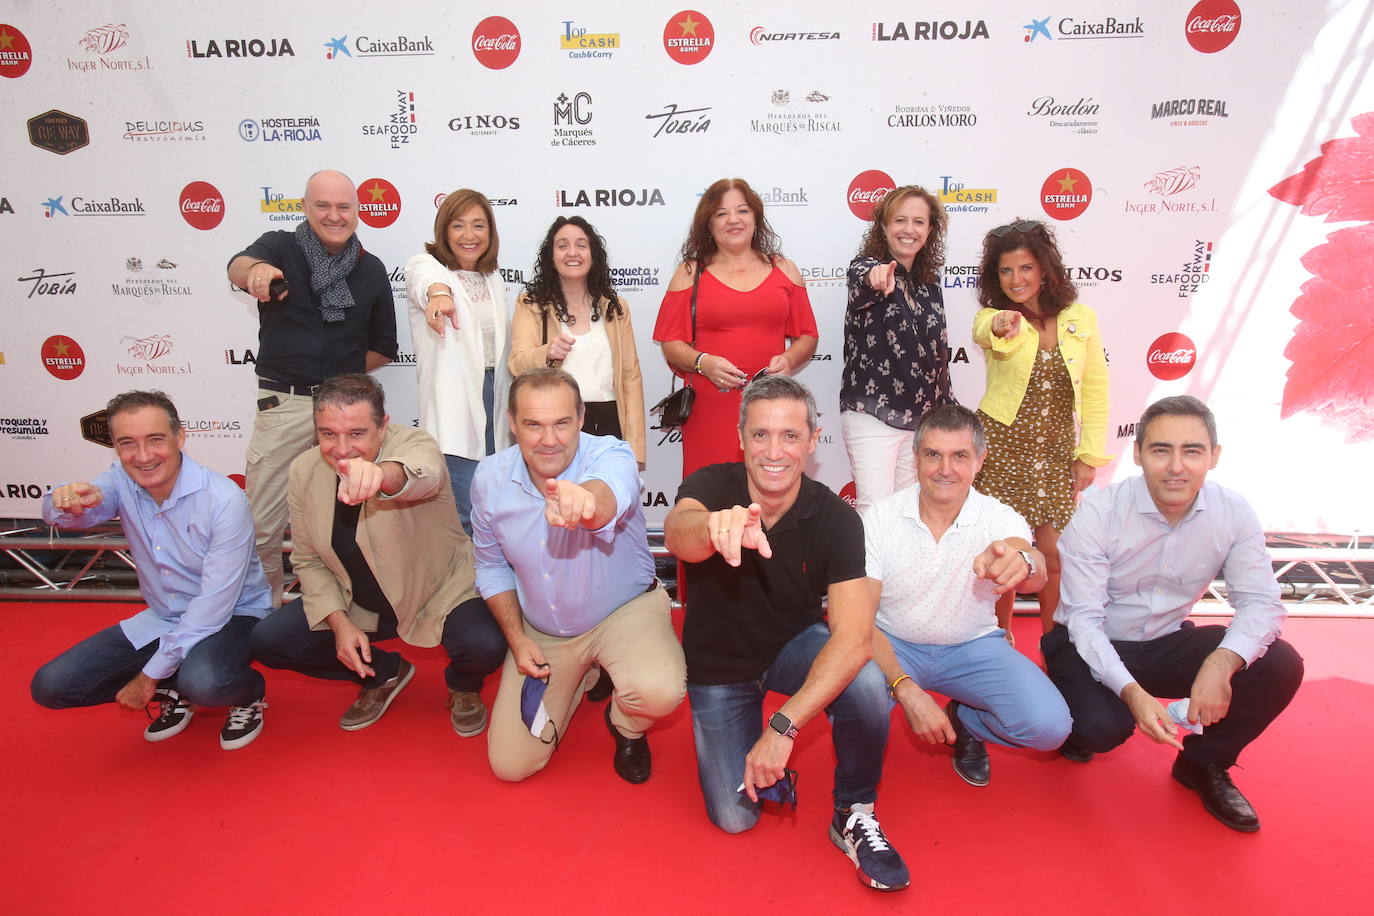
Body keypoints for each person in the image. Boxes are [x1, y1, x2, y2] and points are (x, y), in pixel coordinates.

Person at [664, 375, 908, 893]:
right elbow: (678, 533)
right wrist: (712, 529)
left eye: (790, 436)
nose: (774, 451)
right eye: (760, 435)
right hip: (718, 667)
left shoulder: (838, 519)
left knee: (864, 680)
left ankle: (854, 811)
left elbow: (854, 635)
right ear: (740, 437)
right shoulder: (713, 486)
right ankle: (736, 729)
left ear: (813, 440)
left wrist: (783, 726)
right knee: (735, 818)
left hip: (791, 649)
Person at [1045, 396, 1304, 832]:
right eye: (1161, 450)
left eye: (1192, 451)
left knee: (1279, 664)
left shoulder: (1233, 512)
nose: (1175, 466)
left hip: (1167, 642)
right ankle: (1075, 712)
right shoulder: (1098, 511)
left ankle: (1203, 764)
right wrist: (1132, 693)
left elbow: (1262, 603)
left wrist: (1222, 663)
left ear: (1214, 457)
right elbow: (1085, 622)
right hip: (1086, 643)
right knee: (1101, 729)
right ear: (1138, 453)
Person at [249, 374, 506, 736]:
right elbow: (307, 560)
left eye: (356, 434)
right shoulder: (303, 470)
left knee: (484, 644)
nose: (341, 449)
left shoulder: (416, 442)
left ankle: (464, 685)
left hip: (438, 593)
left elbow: (423, 474)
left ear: (383, 427)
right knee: (269, 641)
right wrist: (339, 623)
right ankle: (385, 671)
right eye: (327, 434)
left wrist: (381, 476)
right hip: (361, 602)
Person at [473, 368, 684, 784]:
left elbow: (607, 496)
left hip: (623, 612)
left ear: (581, 418)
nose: (548, 440)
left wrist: (584, 504)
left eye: (561, 423)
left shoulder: (611, 454)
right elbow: (491, 565)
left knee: (659, 690)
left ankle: (626, 724)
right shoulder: (489, 478)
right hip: (544, 629)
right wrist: (517, 638)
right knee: (511, 766)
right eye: (533, 424)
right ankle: (585, 673)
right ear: (512, 423)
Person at [31, 390, 271, 750]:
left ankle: (247, 694)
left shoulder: (223, 500)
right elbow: (81, 508)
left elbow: (212, 607)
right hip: (164, 617)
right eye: (128, 443)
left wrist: (148, 675)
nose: (142, 456)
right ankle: (176, 688)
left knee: (205, 680)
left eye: (155, 440)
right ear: (115, 447)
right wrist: (63, 501)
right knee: (50, 686)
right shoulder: (121, 478)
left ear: (180, 437)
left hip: (233, 615)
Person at [863, 405, 1070, 788]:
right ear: (917, 457)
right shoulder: (878, 518)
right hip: (894, 645)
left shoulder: (998, 516)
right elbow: (860, 617)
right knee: (849, 698)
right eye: (933, 455)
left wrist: (1022, 562)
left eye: (959, 456)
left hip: (972, 648)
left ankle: (967, 720)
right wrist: (905, 688)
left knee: (1050, 727)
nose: (945, 468)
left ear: (980, 460)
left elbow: (1033, 566)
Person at [227, 169, 398, 605]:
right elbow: (238, 266)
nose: (334, 215)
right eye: (323, 205)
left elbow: (383, 347)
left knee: (351, 520)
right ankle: (257, 613)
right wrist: (258, 271)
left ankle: (353, 610)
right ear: (305, 207)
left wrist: (338, 377)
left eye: (344, 206)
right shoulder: (279, 247)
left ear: (358, 212)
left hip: (344, 415)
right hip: (284, 404)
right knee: (262, 524)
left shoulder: (372, 269)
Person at [971, 219, 1110, 635]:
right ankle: (998, 643)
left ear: (1045, 269)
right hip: (1001, 448)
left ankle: (1056, 647)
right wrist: (998, 326)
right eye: (1006, 271)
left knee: (1052, 556)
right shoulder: (996, 317)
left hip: (1054, 454)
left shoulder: (1080, 318)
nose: (1016, 279)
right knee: (1003, 555)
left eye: (1026, 268)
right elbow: (984, 331)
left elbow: (1098, 389)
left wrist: (1087, 455)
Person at [653, 177, 818, 478]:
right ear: (708, 224)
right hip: (710, 407)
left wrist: (790, 360)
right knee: (709, 496)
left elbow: (807, 335)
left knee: (770, 489)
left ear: (756, 217)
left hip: (770, 407)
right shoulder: (690, 272)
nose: (733, 220)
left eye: (742, 211)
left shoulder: (784, 269)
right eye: (721, 213)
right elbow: (670, 342)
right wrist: (703, 362)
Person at [842, 185, 957, 512]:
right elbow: (864, 278)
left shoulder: (929, 284)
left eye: (919, 222)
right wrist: (876, 276)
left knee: (907, 513)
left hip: (920, 419)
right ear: (883, 226)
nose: (909, 229)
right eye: (900, 220)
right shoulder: (864, 268)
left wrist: (948, 408)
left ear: (930, 229)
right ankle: (865, 568)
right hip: (873, 413)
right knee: (875, 510)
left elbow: (938, 357)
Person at [406, 189, 512, 536]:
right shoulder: (425, 265)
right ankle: (466, 587)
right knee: (466, 510)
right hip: (454, 406)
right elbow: (429, 284)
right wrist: (438, 294)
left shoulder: (493, 279)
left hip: (496, 398)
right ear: (444, 230)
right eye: (459, 225)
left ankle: (495, 586)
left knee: (496, 506)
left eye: (479, 225)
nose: (470, 235)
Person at [510, 215, 646, 467]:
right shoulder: (530, 304)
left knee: (606, 504)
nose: (572, 252)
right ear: (551, 256)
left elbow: (631, 378)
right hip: (556, 425)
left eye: (581, 245)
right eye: (562, 245)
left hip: (610, 423)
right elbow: (517, 365)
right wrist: (547, 353)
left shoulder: (616, 308)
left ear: (593, 254)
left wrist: (635, 449)